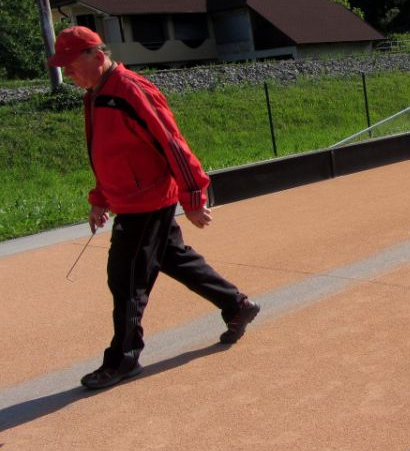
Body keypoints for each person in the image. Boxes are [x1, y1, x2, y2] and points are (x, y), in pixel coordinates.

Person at [48, 26, 260, 390]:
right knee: (173, 257)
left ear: (97, 57)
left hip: (145, 202)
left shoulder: (131, 90)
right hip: (129, 199)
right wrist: (100, 199)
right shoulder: (96, 94)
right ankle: (236, 305)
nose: (67, 73)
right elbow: (109, 154)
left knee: (126, 279)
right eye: (63, 67)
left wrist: (193, 197)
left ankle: (123, 358)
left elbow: (173, 143)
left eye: (71, 65)